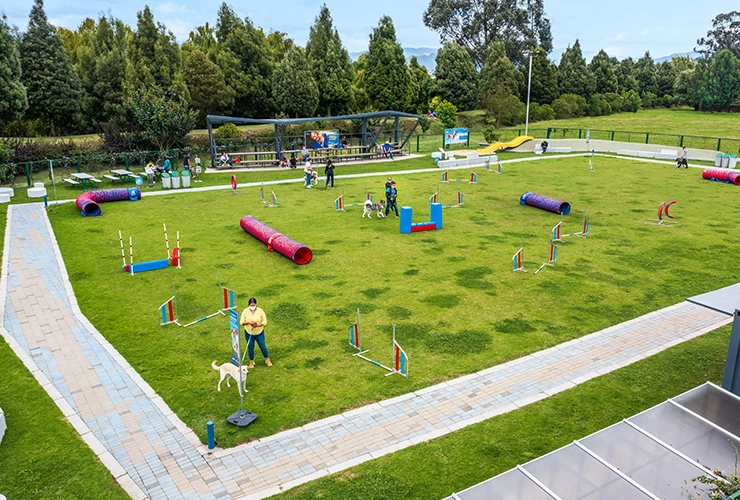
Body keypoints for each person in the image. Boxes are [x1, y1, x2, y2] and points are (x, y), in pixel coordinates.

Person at [240, 298, 271, 368]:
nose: (252, 306)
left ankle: (267, 359)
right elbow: (241, 322)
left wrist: (257, 325)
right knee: (250, 347)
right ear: (248, 305)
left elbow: (264, 321)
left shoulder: (260, 311)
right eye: (251, 305)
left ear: (256, 304)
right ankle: (251, 361)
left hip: (259, 332)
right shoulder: (245, 311)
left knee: (262, 346)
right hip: (249, 332)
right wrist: (248, 323)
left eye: (253, 305)